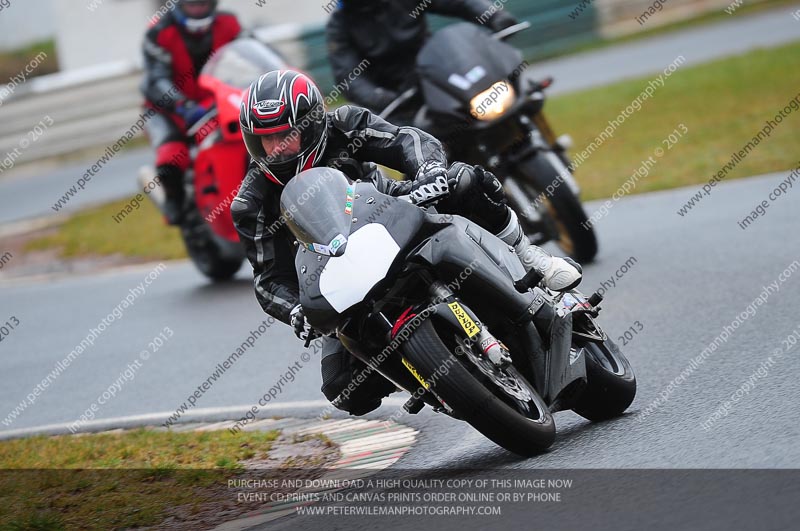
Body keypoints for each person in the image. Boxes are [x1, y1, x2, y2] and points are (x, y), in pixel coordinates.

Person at [231, 70, 580, 416]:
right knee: (343, 389)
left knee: (465, 181)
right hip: (336, 272)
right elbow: (268, 279)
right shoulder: (251, 202)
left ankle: (532, 259)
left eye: (286, 135)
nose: (276, 148)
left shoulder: (345, 124)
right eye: (265, 139)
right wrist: (294, 309)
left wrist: (429, 171)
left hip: (391, 211)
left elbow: (406, 140)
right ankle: (431, 379)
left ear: (311, 125)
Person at [140, 0, 241, 224]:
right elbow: (157, 78)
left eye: (203, 3)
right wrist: (182, 105)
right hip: (167, 110)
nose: (198, 8)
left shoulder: (229, 23)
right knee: (172, 156)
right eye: (192, 4)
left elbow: (250, 54)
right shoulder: (159, 32)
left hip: (215, 101)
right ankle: (173, 200)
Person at [326, 0, 518, 114]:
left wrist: (494, 16)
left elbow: (459, 2)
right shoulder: (339, 27)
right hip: (402, 99)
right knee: (428, 157)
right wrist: (379, 97)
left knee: (515, 93)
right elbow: (348, 76)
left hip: (440, 71)